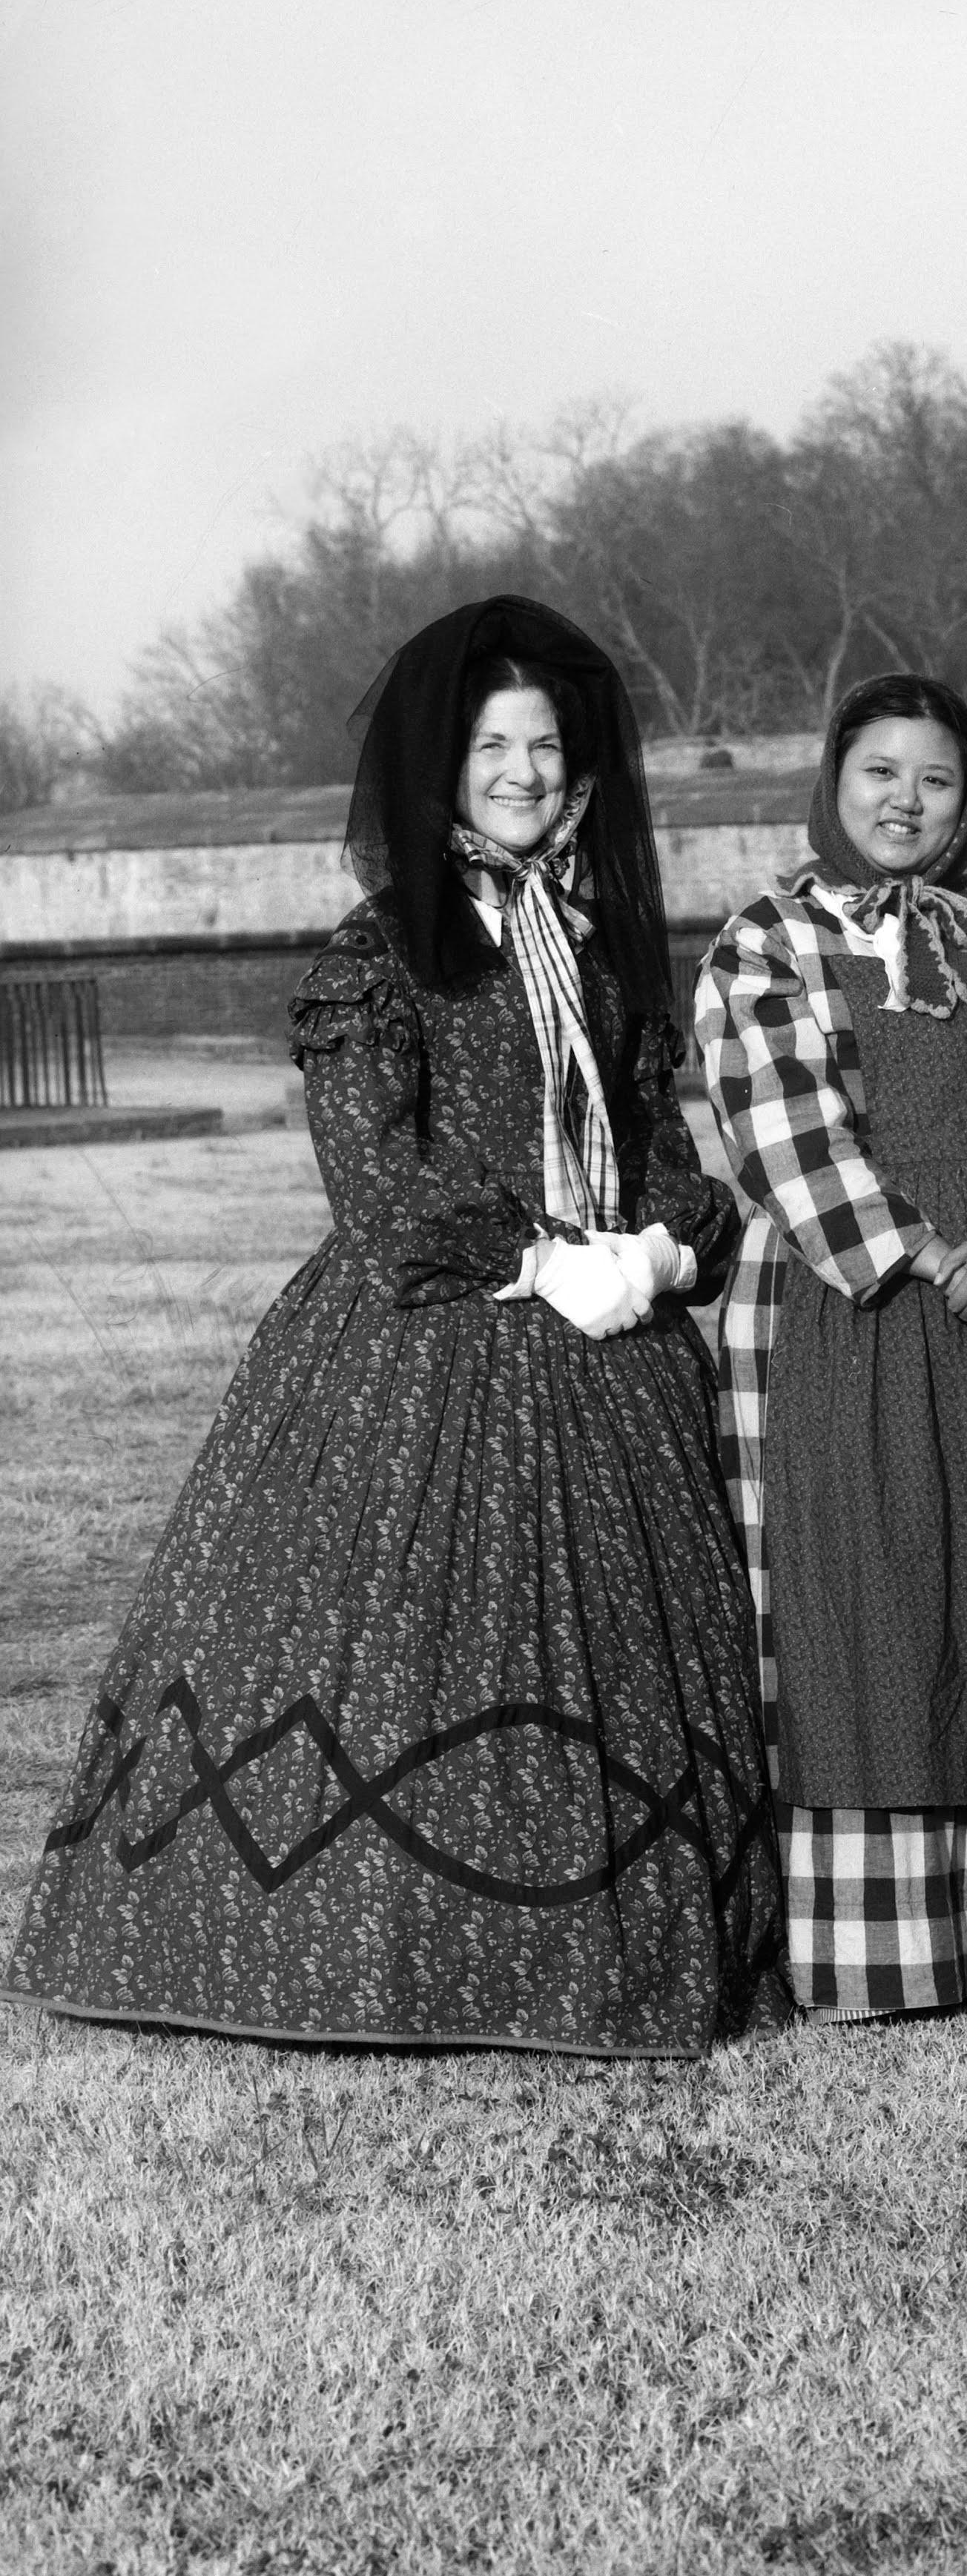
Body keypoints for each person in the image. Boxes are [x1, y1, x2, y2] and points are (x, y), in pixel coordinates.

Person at [4, 596, 780, 2056]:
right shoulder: (385, 951)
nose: (526, 770)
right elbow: (379, 1182)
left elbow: (653, 1138)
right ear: (441, 766)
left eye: (546, 746)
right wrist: (542, 1266)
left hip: (613, 1354)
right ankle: (388, 1955)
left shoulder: (600, 951)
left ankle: (608, 1954)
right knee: (406, 1631)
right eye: (494, 744)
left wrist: (671, 1238)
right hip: (432, 1338)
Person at [701, 673, 967, 2022]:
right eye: (880, 771)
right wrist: (915, 1252)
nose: (906, 800)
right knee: (871, 1589)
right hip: (855, 1303)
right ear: (834, 780)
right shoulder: (765, 939)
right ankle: (885, 1949)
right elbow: (780, 1118)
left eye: (936, 779)